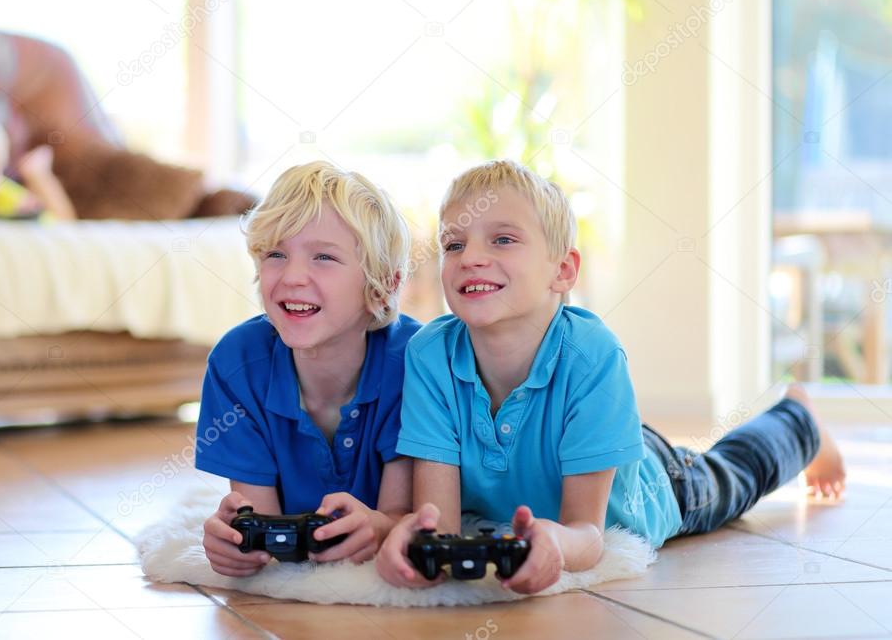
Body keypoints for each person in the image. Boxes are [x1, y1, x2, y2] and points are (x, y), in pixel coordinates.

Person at [376, 159, 845, 594]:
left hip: (649, 485)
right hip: (585, 440)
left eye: (502, 239)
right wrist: (421, 546)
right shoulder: (429, 353)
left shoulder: (592, 353)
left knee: (730, 477)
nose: (470, 257)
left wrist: (558, 545)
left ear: (562, 271)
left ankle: (799, 419)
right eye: (454, 244)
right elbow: (437, 522)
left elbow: (589, 535)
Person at [197, 161, 422, 576]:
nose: (293, 276)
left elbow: (402, 515)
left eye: (323, 257)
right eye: (276, 254)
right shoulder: (237, 364)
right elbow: (263, 528)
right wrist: (238, 543)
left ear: (382, 287)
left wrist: (383, 527)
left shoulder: (415, 363)